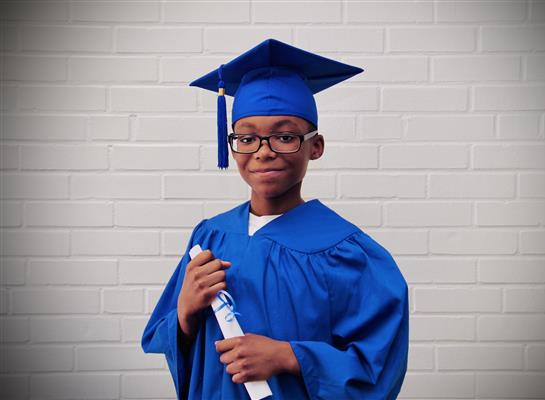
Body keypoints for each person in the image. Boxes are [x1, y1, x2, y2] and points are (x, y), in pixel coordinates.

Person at [141, 38, 409, 400]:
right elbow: (173, 340)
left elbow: (380, 368)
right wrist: (186, 313)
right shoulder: (210, 237)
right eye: (247, 138)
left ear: (316, 146)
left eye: (285, 136)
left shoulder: (352, 256)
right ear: (231, 143)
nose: (264, 152)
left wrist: (290, 356)